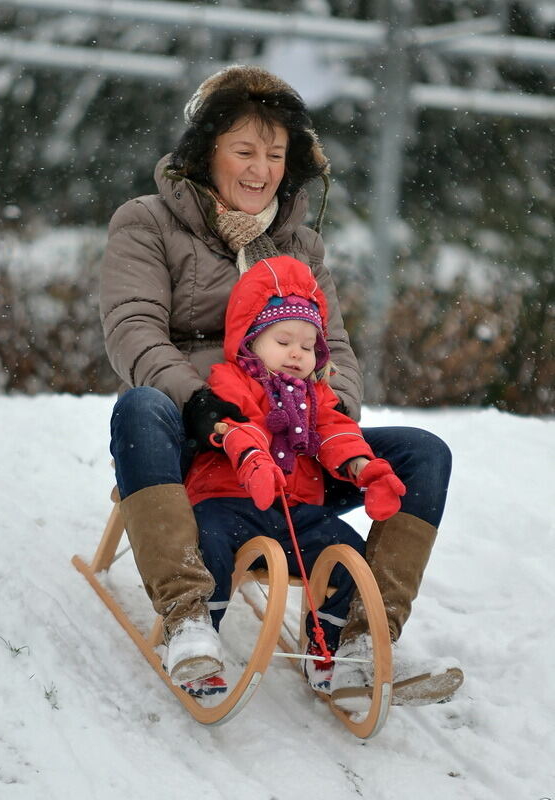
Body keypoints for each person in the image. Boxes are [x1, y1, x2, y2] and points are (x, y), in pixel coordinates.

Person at [100, 65, 454, 702]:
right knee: (139, 405)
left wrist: (326, 409)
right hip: (195, 430)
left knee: (424, 452)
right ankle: (186, 616)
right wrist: (201, 402)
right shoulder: (148, 222)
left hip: (294, 441)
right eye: (243, 150)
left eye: (274, 154)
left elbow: (335, 349)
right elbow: (134, 329)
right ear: (207, 152)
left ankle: (357, 638)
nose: (260, 168)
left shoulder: (302, 246)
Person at [184, 253, 406, 697]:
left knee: (349, 552)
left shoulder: (316, 396)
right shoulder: (232, 380)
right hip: (228, 500)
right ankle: (200, 640)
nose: (296, 354)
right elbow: (234, 426)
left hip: (293, 511)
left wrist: (366, 469)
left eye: (308, 347)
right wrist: (252, 460)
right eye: (283, 340)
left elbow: (336, 434)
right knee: (210, 544)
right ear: (251, 341)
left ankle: (329, 647)